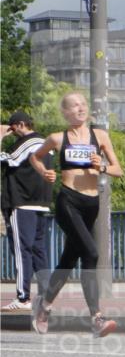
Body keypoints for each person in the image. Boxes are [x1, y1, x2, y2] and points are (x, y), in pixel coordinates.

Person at [29, 92, 122, 337]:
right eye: (74, 106)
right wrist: (44, 173)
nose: (80, 108)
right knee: (91, 253)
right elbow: (35, 157)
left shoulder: (99, 136)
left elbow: (118, 169)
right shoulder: (57, 138)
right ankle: (96, 318)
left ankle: (45, 305)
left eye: (83, 104)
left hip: (92, 203)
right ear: (65, 113)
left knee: (69, 259)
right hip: (68, 201)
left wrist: (100, 166)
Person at [1, 112, 53, 311]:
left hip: (22, 202)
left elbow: (7, 159)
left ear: (21, 125)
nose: (12, 133)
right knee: (39, 251)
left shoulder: (28, 142)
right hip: (41, 203)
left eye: (13, 129)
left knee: (22, 250)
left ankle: (23, 298)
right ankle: (45, 297)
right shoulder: (45, 143)